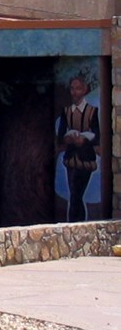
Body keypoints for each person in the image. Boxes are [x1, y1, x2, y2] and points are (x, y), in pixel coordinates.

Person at [57, 75, 99, 222]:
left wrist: (84, 139)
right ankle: (75, 225)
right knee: (74, 194)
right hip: (70, 158)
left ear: (85, 90)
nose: (75, 92)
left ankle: (75, 225)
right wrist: (68, 138)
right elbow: (60, 135)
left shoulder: (92, 111)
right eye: (72, 89)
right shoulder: (67, 111)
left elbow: (97, 135)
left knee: (76, 194)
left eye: (78, 88)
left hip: (85, 158)